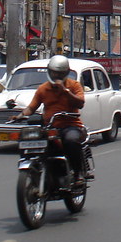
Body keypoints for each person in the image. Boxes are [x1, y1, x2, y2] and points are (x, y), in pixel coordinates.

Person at [13, 55, 87, 184]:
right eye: (54, 73)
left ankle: (78, 173)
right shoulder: (43, 89)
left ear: (66, 73)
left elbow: (80, 103)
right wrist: (20, 115)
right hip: (50, 127)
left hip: (70, 125)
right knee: (30, 141)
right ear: (49, 71)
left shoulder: (74, 85)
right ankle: (36, 170)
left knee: (71, 141)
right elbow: (31, 107)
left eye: (60, 73)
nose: (56, 76)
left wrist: (65, 91)